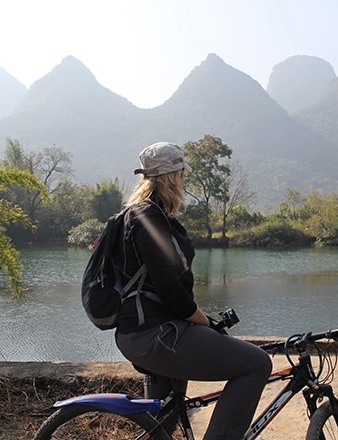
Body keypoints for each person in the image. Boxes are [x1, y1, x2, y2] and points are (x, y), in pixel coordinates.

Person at [114, 141, 272, 440]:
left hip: (143, 333)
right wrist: (205, 321)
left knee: (162, 426)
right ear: (173, 177)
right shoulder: (148, 218)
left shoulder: (137, 215)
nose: (185, 180)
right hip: (156, 336)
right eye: (183, 174)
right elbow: (171, 291)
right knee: (256, 363)